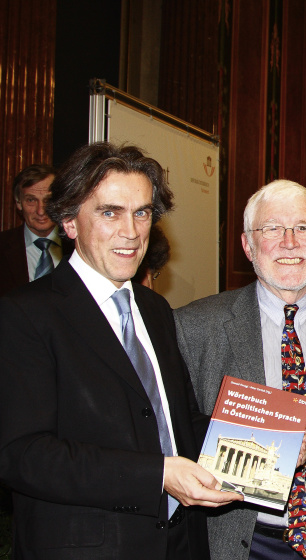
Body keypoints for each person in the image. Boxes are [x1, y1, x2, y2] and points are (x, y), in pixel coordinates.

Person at [0, 142, 240, 560]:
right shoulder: (26, 314)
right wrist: (158, 475)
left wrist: (270, 442)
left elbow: (179, 423)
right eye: (110, 212)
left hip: (181, 544)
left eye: (142, 212)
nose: (131, 231)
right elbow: (24, 455)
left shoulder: (155, 309)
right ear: (70, 222)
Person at [174, 179, 306, 560]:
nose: (290, 242)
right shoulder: (195, 328)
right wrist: (265, 439)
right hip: (243, 542)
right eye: (272, 228)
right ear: (247, 245)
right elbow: (173, 432)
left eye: (304, 228)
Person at [0, 164, 66, 296]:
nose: (40, 211)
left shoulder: (78, 246)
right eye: (31, 200)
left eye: (48, 200)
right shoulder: (2, 247)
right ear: (19, 203)